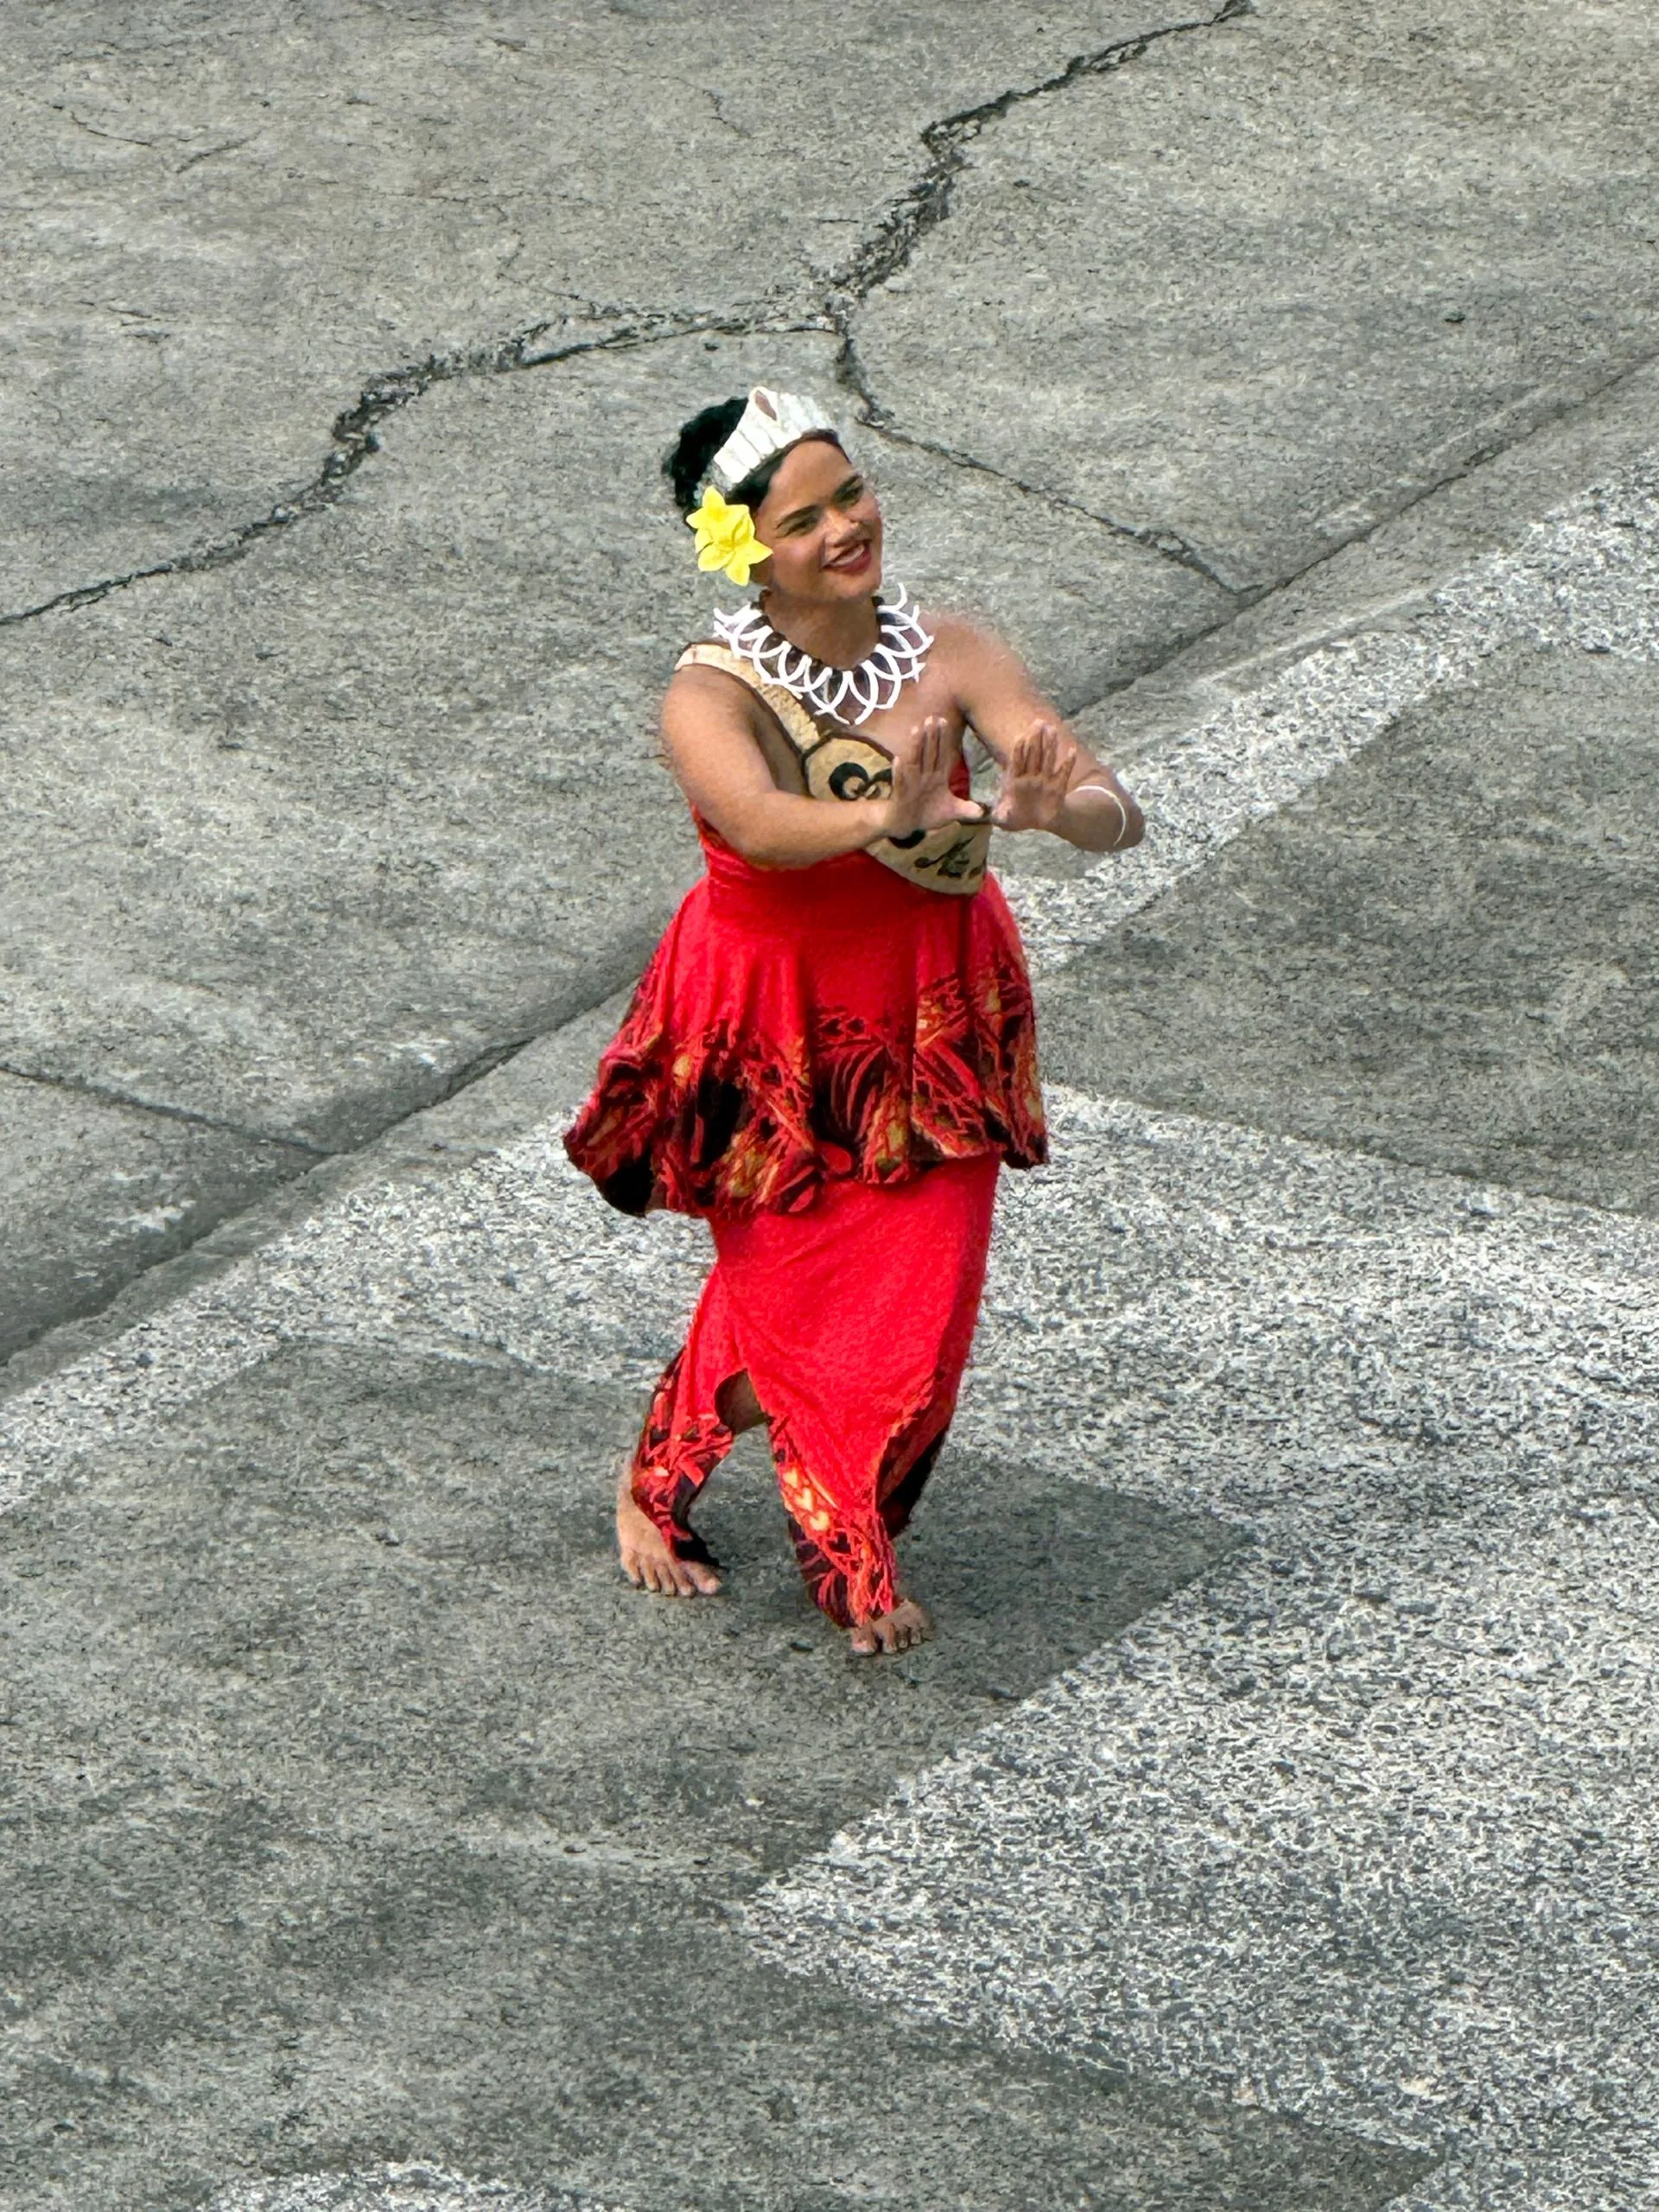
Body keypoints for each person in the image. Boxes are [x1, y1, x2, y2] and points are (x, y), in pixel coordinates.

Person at [564, 385, 1143, 1655]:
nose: (844, 528)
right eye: (804, 517)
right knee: (800, 1266)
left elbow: (1111, 807)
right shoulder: (710, 696)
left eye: (851, 494)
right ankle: (847, 1557)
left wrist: (1060, 815)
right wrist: (880, 819)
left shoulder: (952, 651)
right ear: (745, 548)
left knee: (920, 1295)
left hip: (935, 1000)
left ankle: (690, 1452)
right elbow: (762, 825)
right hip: (770, 1010)